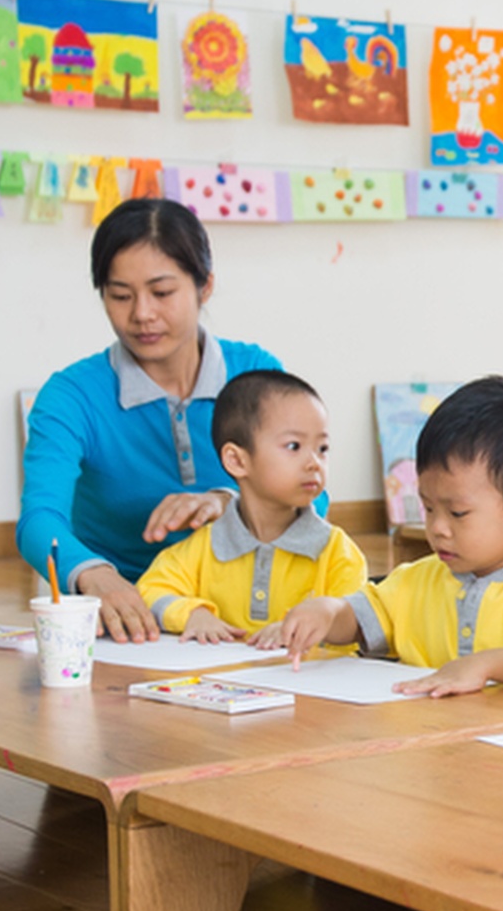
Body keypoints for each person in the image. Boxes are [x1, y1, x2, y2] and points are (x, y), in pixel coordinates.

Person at [17, 198, 307, 642]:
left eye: (162, 292)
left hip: (248, 607)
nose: (142, 314)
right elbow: (40, 519)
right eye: (120, 295)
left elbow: (312, 494)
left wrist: (231, 501)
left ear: (204, 286)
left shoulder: (255, 374)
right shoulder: (70, 396)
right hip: (131, 615)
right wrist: (96, 577)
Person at [269, 376, 503, 699]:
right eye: (428, 509)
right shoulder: (415, 581)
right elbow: (358, 619)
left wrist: (486, 666)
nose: (438, 527)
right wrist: (328, 613)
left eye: (457, 513)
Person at [134, 371, 367, 649]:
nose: (314, 462)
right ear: (237, 461)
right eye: (294, 446)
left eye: (322, 448)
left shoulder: (339, 553)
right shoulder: (202, 548)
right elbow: (148, 592)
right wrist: (193, 615)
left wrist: (306, 626)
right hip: (221, 686)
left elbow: (357, 618)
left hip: (312, 687)